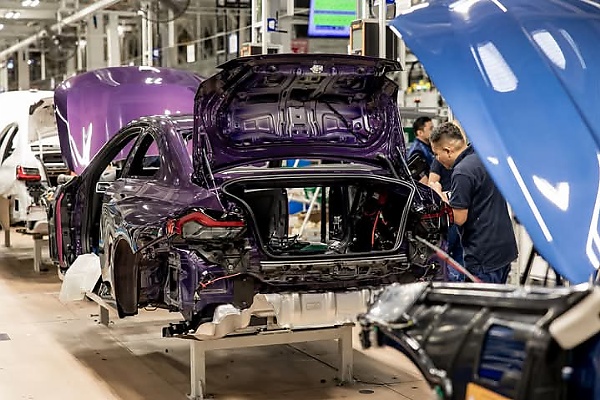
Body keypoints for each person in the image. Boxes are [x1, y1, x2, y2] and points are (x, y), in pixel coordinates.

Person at [428, 122, 517, 284]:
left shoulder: (462, 171)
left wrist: (439, 196)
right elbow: (478, 196)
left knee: (481, 306)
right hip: (503, 250)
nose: (436, 159)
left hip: (484, 257)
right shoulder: (481, 157)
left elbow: (459, 218)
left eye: (436, 153)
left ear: (448, 151)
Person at [429, 158, 465, 281]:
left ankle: (455, 284)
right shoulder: (469, 161)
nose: (438, 156)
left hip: (451, 215)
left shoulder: (439, 159)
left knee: (449, 255)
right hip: (456, 214)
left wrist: (440, 193)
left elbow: (432, 186)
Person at [406, 116, 434, 183]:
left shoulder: (428, 146)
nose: (434, 131)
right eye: (431, 129)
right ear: (420, 133)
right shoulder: (417, 151)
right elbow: (421, 180)